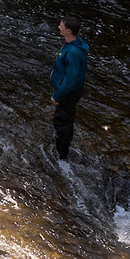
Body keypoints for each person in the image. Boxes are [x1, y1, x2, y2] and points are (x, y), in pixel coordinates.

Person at [49, 14, 89, 161]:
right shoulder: (72, 44)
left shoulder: (73, 52)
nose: (59, 26)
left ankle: (61, 156)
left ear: (68, 31)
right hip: (68, 91)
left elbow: (71, 80)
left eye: (61, 25)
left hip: (68, 93)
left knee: (62, 121)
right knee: (64, 120)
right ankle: (62, 145)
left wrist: (57, 96)